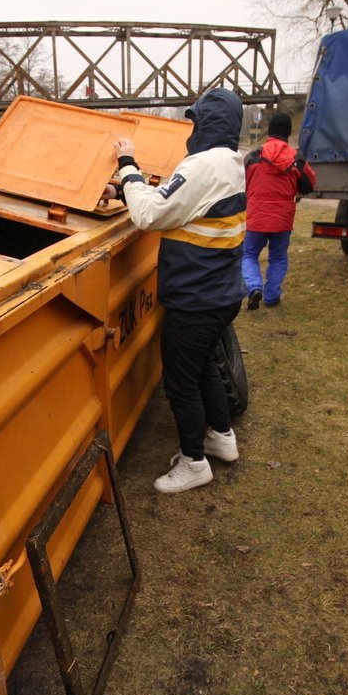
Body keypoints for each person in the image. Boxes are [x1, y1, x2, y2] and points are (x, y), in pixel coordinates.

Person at [111, 87, 246, 494]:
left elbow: (151, 214)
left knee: (180, 381)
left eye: (195, 121)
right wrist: (126, 191)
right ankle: (221, 439)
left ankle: (193, 462)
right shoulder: (230, 162)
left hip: (195, 299)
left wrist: (127, 164)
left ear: (205, 124)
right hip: (222, 294)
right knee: (204, 366)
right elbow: (182, 203)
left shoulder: (202, 164)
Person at [242, 113, 316, 309]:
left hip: (255, 217)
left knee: (248, 254)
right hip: (282, 219)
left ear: (270, 131)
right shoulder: (296, 158)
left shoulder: (253, 156)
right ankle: (272, 296)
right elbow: (309, 184)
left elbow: (241, 183)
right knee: (278, 257)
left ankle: (253, 287)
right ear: (288, 132)